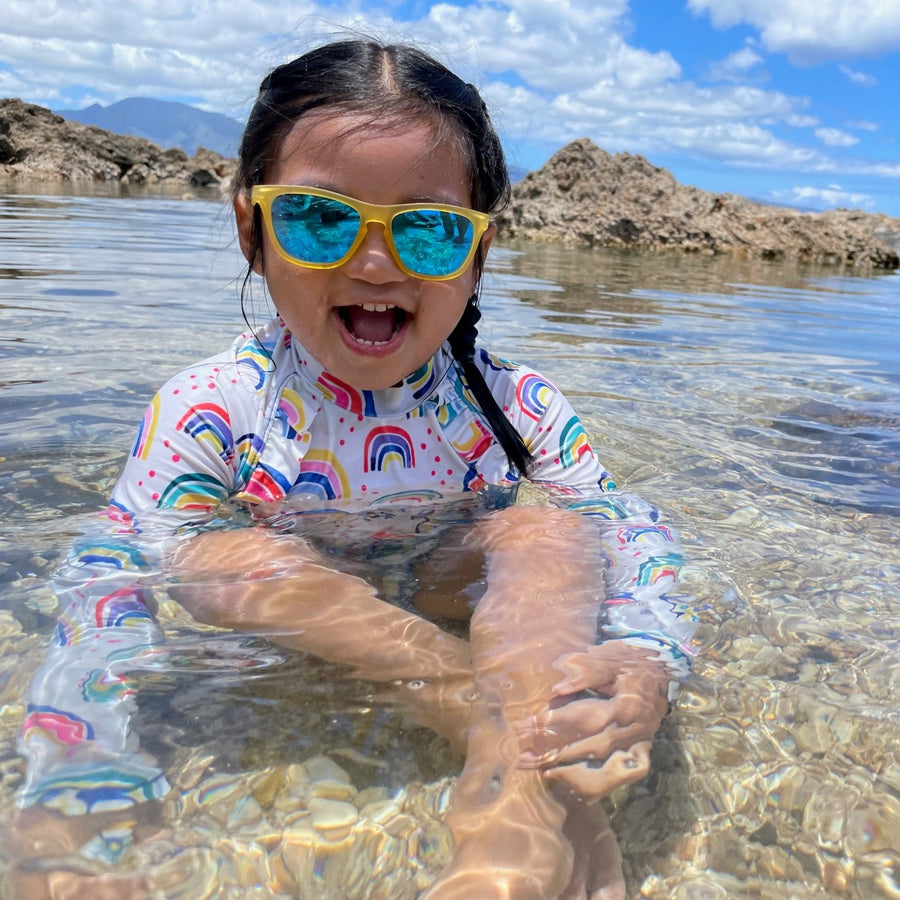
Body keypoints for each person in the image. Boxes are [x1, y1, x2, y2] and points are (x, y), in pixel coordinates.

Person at [9, 39, 696, 899]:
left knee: (546, 533)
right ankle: (513, 758)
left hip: (452, 591)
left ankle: (509, 816)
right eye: (319, 218)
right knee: (222, 555)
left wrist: (648, 655)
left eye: (430, 229)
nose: (376, 264)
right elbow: (108, 575)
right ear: (252, 231)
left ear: (479, 252)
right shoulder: (212, 408)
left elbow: (625, 529)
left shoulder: (515, 408)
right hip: (302, 616)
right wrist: (81, 765)